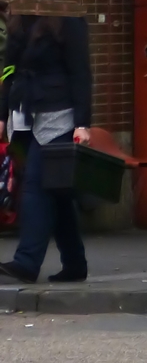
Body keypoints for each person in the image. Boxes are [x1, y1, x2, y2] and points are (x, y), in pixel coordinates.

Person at [0, 15, 92, 284]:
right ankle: (75, 263)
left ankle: (26, 262)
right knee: (58, 192)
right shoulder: (19, 21)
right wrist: (2, 114)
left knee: (36, 184)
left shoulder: (69, 21)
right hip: (25, 114)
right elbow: (9, 71)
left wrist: (83, 123)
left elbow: (80, 72)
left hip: (58, 115)